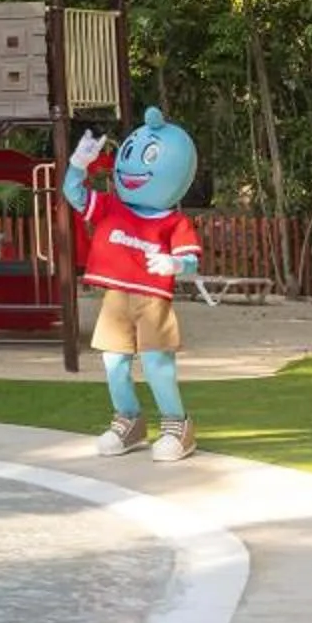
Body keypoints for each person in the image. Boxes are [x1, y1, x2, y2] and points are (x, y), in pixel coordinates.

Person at [62, 108, 204, 462]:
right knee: (114, 361)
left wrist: (175, 262)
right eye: (129, 154)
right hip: (116, 297)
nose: (132, 166)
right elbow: (73, 193)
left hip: (152, 299)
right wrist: (79, 163)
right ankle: (129, 421)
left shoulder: (174, 222)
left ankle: (177, 424)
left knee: (157, 363)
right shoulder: (112, 207)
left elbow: (191, 260)